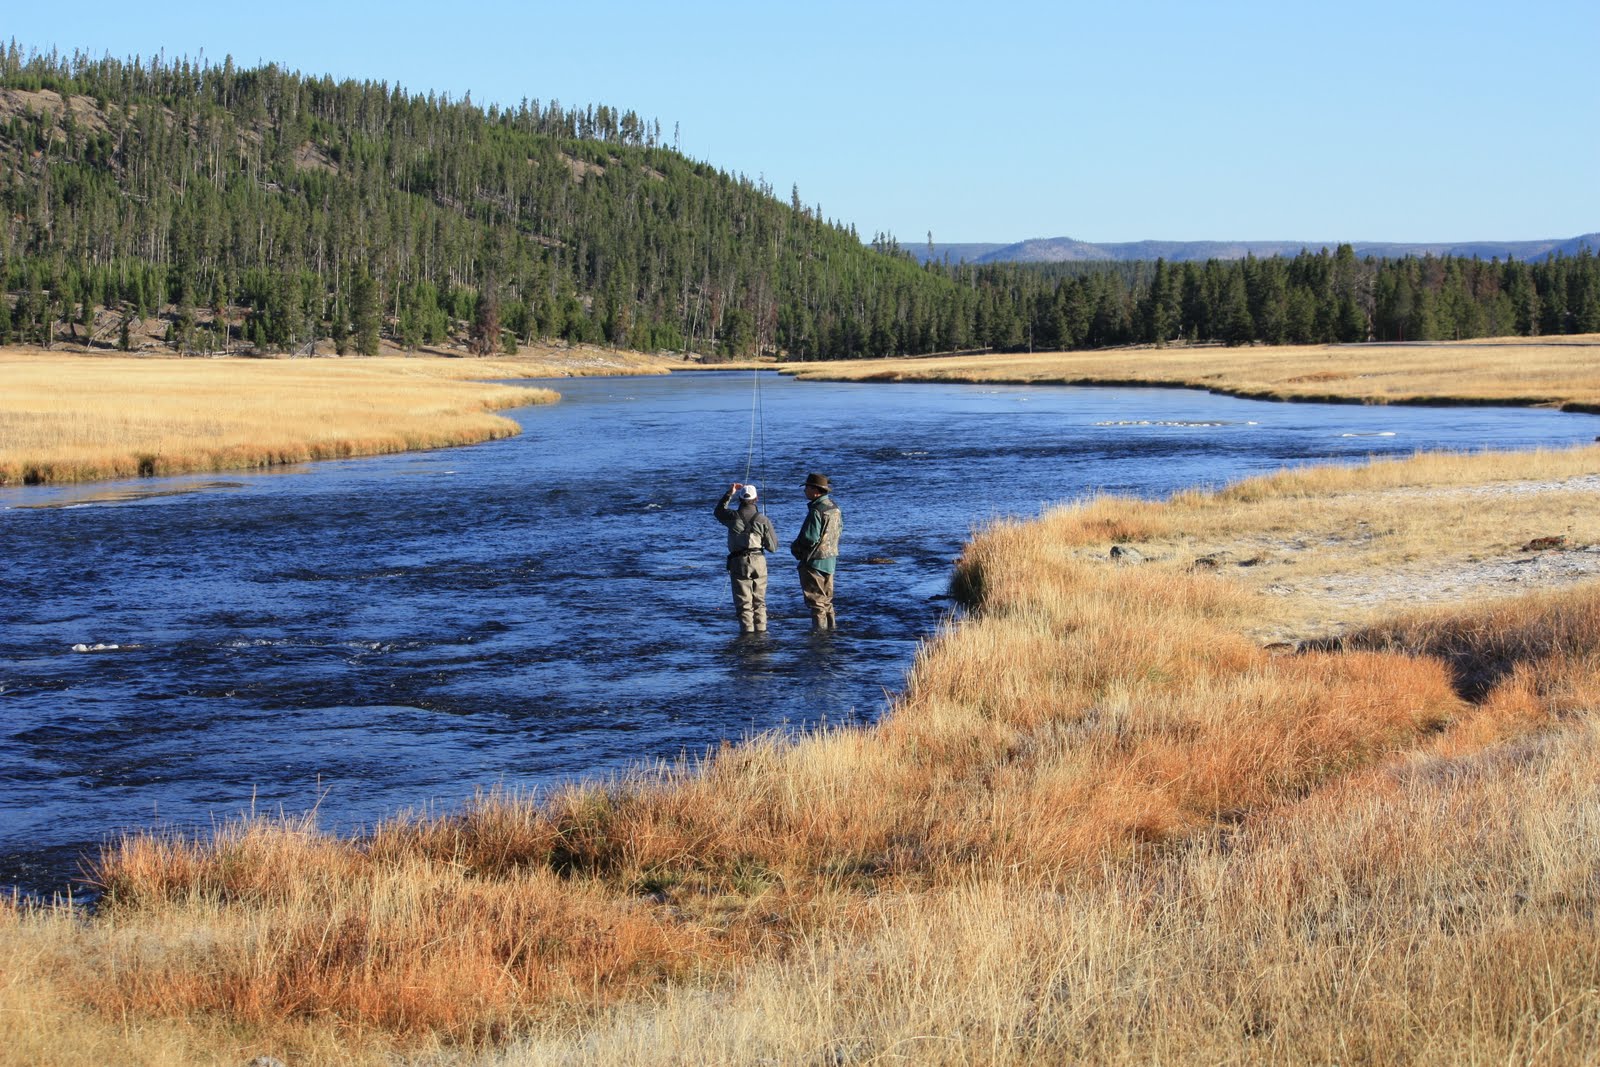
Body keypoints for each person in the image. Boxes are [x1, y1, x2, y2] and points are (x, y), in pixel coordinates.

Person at [714, 482, 778, 633]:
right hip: (759, 561)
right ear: (756, 499)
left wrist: (730, 493)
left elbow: (718, 511)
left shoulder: (732, 517)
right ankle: (761, 634)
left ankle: (747, 635)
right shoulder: (763, 520)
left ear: (740, 499)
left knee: (744, 603)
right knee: (759, 602)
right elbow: (773, 547)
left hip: (739, 562)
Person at [790, 471, 842, 630]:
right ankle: (831, 632)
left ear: (815, 490)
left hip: (814, 562)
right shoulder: (834, 508)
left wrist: (795, 547)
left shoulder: (816, 510)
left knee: (817, 602)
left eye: (807, 487)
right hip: (830, 560)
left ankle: (819, 636)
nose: (804, 490)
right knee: (827, 601)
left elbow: (810, 538)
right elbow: (839, 530)